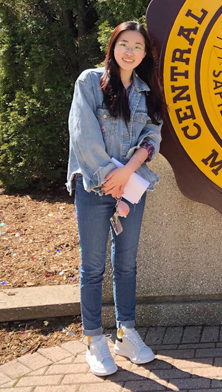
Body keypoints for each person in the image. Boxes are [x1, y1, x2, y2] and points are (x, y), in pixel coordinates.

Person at [67, 21, 164, 376]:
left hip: (131, 187)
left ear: (144, 54)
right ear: (113, 46)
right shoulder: (90, 82)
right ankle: (94, 339)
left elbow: (152, 134)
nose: (130, 51)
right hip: (94, 187)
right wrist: (110, 176)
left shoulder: (145, 90)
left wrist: (128, 172)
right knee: (92, 267)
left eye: (137, 46)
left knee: (126, 264)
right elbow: (82, 134)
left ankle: (126, 333)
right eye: (124, 44)